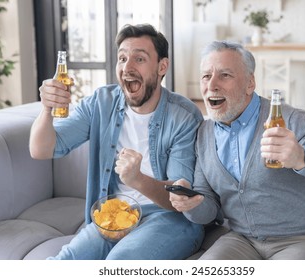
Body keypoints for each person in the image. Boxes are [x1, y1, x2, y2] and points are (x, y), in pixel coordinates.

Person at [169, 40, 305, 260]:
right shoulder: (204, 133)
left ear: (250, 83)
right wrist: (190, 204)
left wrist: (301, 157)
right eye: (206, 76)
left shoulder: (291, 119)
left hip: (301, 239)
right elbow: (208, 209)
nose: (212, 85)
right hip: (240, 240)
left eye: (225, 75)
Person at [29, 23, 204, 260]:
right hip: (114, 214)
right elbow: (41, 149)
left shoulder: (183, 115)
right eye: (122, 59)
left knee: (118, 265)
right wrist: (47, 109)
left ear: (162, 66)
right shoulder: (102, 102)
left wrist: (137, 179)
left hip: (169, 219)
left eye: (139, 59)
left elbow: (178, 200)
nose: (127, 67)